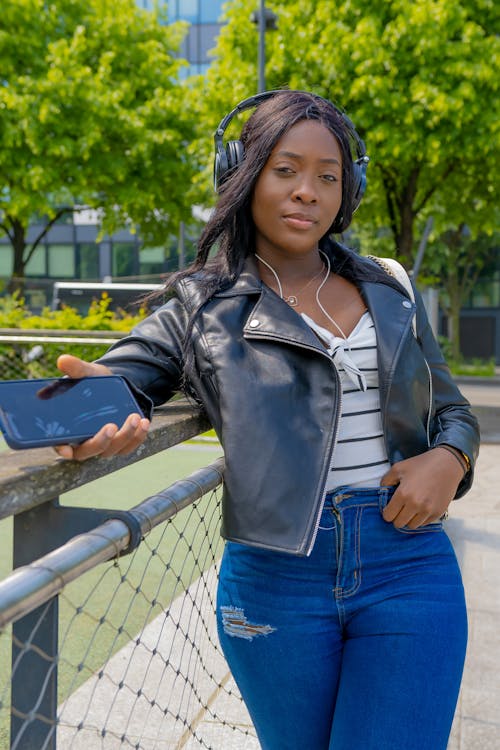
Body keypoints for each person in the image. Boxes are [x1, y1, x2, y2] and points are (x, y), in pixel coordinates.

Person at [56, 90, 480, 750]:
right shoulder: (199, 307)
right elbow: (125, 379)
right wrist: (94, 411)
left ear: (350, 189)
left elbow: (451, 407)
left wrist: (450, 460)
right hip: (277, 579)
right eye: (285, 170)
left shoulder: (389, 287)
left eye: (327, 176)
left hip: (408, 563)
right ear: (243, 174)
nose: (306, 191)